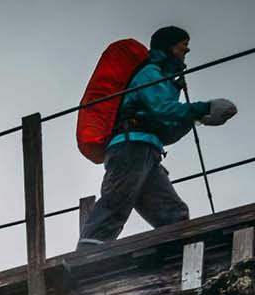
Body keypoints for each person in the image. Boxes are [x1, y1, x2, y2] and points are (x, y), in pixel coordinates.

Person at [77, 26, 236, 249]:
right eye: (183, 47)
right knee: (115, 205)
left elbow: (166, 130)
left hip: (146, 151)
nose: (186, 52)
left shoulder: (163, 78)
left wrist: (196, 118)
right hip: (130, 147)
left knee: (173, 213)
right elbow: (163, 109)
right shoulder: (150, 73)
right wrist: (203, 108)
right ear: (169, 47)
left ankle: (178, 251)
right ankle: (86, 258)